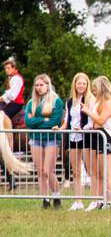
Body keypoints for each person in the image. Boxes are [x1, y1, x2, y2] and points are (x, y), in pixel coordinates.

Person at [24, 74, 65, 208]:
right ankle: (45, 200)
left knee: (48, 170)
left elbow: (55, 122)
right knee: (40, 170)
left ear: (48, 85)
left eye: (41, 85)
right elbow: (28, 122)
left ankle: (57, 196)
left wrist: (37, 121)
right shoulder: (31, 102)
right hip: (35, 139)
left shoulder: (56, 101)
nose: (39, 88)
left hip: (51, 139)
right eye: (36, 85)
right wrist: (44, 120)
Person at [86, 75, 111, 209]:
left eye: (95, 89)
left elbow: (101, 120)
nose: (94, 92)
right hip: (98, 136)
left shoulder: (109, 102)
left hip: (106, 137)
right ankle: (102, 199)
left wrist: (88, 112)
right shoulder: (99, 101)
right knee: (99, 171)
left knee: (106, 172)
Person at [63, 72, 95, 208]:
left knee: (90, 170)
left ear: (87, 85)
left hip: (86, 136)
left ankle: (95, 200)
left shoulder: (90, 99)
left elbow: (93, 119)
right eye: (79, 83)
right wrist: (60, 128)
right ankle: (78, 201)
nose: (81, 86)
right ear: (75, 84)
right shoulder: (70, 102)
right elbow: (67, 121)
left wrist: (83, 128)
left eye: (84, 83)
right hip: (73, 136)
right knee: (75, 171)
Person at [1, 57, 25, 189]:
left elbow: (13, 95)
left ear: (14, 68)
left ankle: (7, 134)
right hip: (11, 102)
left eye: (9, 68)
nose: (7, 70)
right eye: (5, 68)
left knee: (3, 115)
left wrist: (2, 97)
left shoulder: (16, 78)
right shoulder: (11, 78)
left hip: (16, 104)